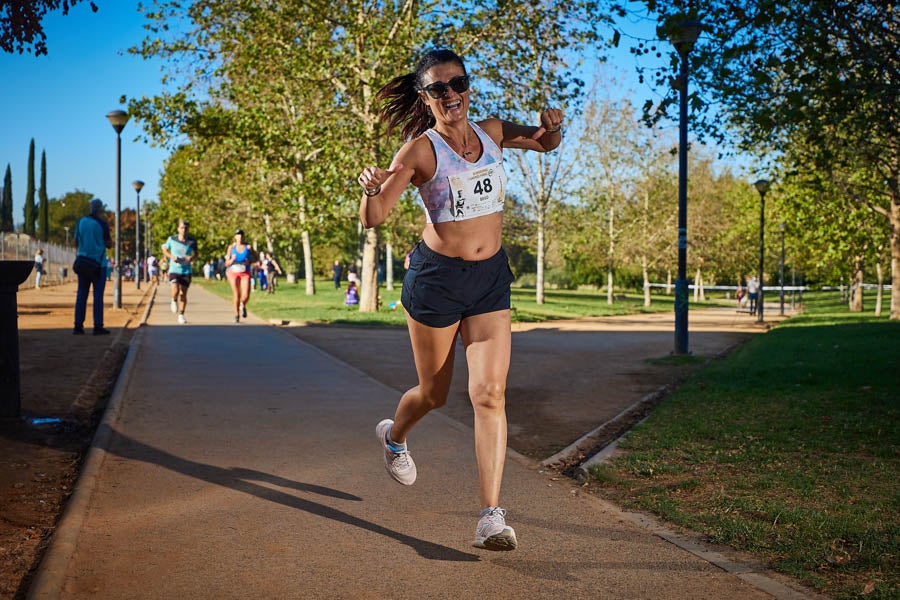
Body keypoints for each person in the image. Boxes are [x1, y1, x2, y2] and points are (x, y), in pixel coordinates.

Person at [357, 48, 562, 551]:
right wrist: (367, 187)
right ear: (425, 98)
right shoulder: (419, 151)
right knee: (434, 393)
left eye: (457, 83)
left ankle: (492, 518)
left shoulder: (491, 132)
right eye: (438, 89)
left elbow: (544, 143)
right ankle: (394, 437)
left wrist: (552, 126)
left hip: (490, 277)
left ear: (468, 86)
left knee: (489, 394)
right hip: (437, 280)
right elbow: (374, 216)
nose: (451, 94)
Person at [72, 198, 113, 335]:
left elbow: (75, 241)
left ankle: (78, 325)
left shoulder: (81, 222)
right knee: (98, 296)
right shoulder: (102, 224)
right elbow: (108, 243)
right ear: (100, 209)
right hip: (98, 265)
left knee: (82, 294)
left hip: (83, 262)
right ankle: (97, 325)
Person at [162, 219, 197, 324]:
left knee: (183, 294)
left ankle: (181, 315)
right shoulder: (171, 239)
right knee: (175, 290)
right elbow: (164, 249)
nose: (184, 230)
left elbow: (196, 254)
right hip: (174, 269)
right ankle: (173, 300)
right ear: (178, 229)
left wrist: (192, 258)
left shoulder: (192, 241)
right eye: (182, 228)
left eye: (186, 228)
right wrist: (170, 256)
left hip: (186, 271)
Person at [225, 229, 255, 323]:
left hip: (245, 272)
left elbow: (255, 258)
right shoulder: (231, 247)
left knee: (246, 295)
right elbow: (227, 263)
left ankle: (243, 304)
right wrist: (232, 260)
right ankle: (236, 314)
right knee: (237, 294)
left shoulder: (248, 247)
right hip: (233, 273)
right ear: (235, 237)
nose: (240, 237)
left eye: (241, 235)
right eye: (238, 235)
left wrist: (249, 261)